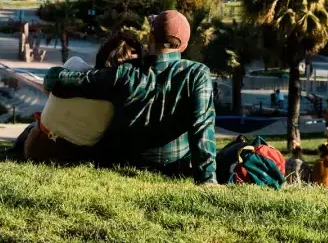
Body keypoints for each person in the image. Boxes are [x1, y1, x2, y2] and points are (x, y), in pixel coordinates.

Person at [42, 10, 218, 184]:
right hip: (174, 167)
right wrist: (208, 180)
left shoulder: (125, 74)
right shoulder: (197, 74)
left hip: (125, 164)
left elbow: (57, 79)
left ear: (150, 38)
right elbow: (202, 128)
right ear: (183, 46)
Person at [19, 32, 143, 164]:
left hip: (37, 148)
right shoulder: (122, 100)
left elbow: (49, 88)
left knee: (33, 126)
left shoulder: (74, 65)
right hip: (77, 156)